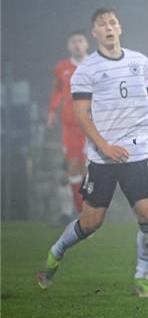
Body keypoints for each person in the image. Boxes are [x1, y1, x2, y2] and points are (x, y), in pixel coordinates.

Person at [36, 8, 148, 299]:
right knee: (91, 222)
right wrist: (105, 146)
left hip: (137, 151)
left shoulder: (140, 61)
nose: (108, 28)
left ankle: (141, 278)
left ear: (119, 27)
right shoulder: (86, 70)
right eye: (101, 24)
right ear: (94, 33)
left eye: (112, 22)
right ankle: (55, 252)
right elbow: (82, 115)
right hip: (103, 156)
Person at [47, 31, 89, 219]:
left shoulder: (96, 65)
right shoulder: (61, 67)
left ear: (86, 44)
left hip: (93, 126)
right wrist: (51, 112)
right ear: (69, 46)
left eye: (80, 40)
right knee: (72, 167)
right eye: (73, 41)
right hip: (70, 126)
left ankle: (89, 212)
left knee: (89, 168)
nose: (77, 44)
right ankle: (81, 213)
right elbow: (57, 91)